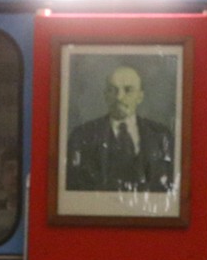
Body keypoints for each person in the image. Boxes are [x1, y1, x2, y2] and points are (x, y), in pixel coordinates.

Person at [65, 65, 175, 193]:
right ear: (105, 95)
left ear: (140, 96)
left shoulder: (161, 136)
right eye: (113, 90)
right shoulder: (82, 135)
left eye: (128, 90)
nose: (119, 97)